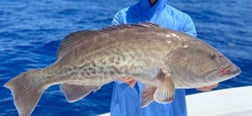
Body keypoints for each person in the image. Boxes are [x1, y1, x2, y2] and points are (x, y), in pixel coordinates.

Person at [110, 0, 218, 116]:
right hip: (128, 107)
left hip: (169, 110)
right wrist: (119, 76)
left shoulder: (183, 22)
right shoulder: (122, 17)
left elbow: (191, 66)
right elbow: (107, 65)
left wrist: (207, 78)